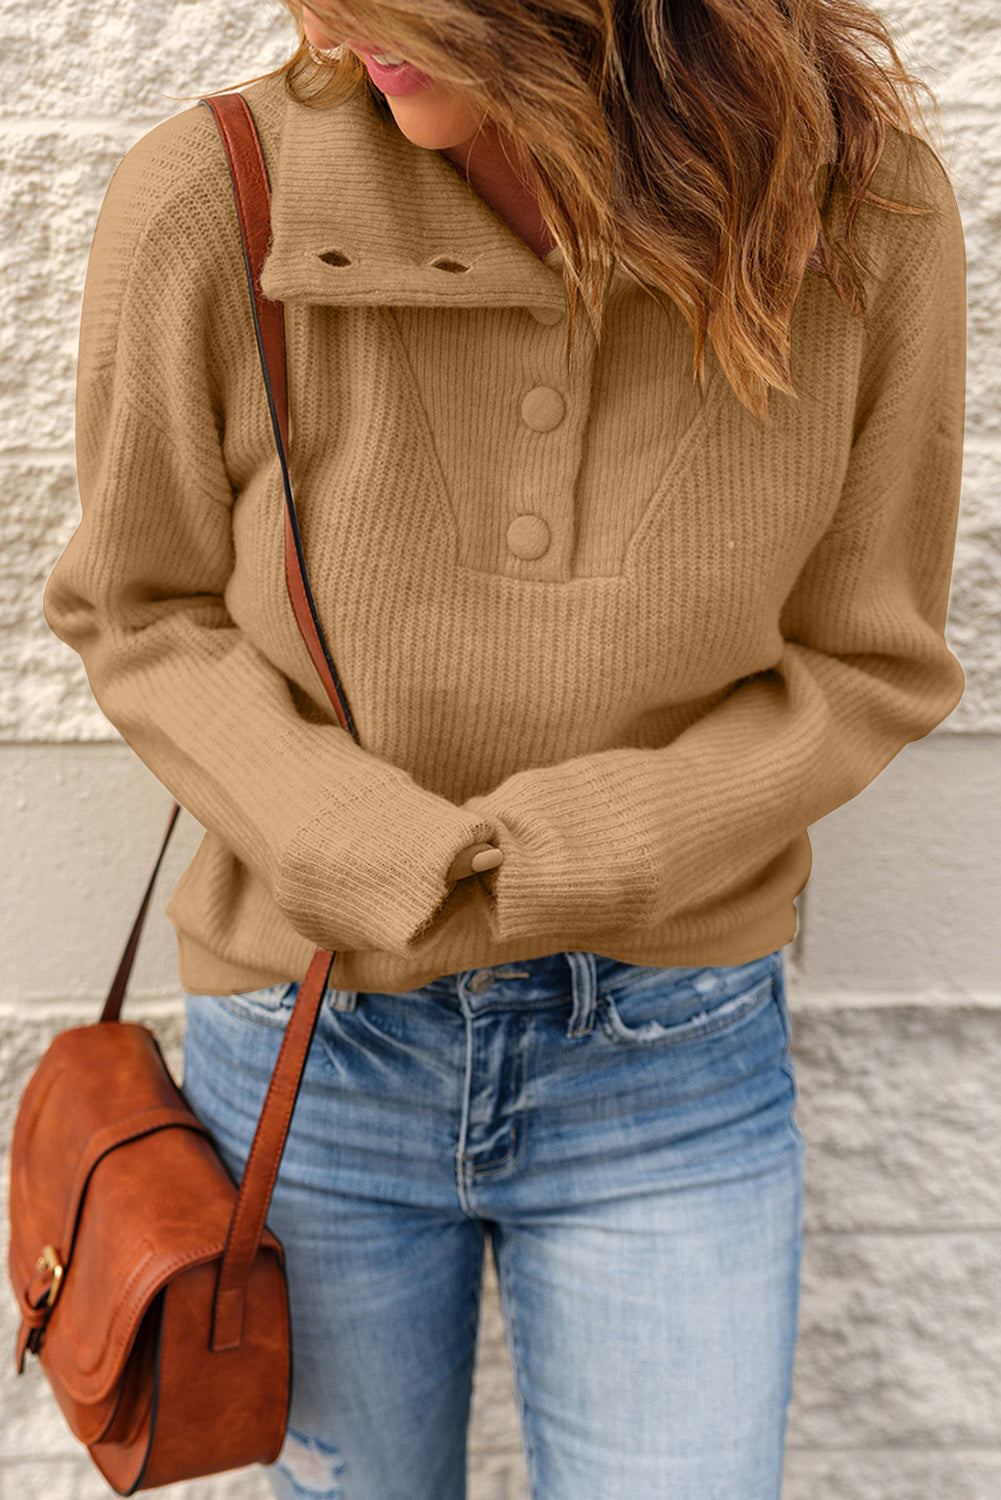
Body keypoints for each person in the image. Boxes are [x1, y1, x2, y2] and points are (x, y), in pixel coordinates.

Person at [42, 0, 966, 1491]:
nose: (332, 19)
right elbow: (135, 606)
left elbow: (867, 660)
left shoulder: (866, 223)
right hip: (311, 1041)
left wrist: (586, 848)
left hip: (669, 1059)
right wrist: (349, 837)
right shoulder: (217, 190)